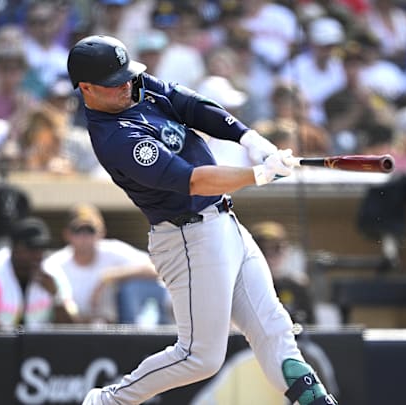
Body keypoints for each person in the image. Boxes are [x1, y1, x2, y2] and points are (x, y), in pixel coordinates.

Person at [67, 35, 337, 405]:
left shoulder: (136, 87)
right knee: (200, 357)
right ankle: (107, 401)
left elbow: (191, 105)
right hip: (187, 236)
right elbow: (194, 180)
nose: (127, 85)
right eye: (115, 82)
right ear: (86, 88)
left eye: (127, 76)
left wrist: (249, 137)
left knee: (274, 327)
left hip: (225, 223)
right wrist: (256, 174)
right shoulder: (115, 138)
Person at [43, 203, 163, 325]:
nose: (84, 237)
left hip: (111, 329)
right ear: (67, 234)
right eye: (78, 230)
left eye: (90, 230)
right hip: (68, 330)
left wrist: (109, 276)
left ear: (102, 232)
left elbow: (158, 268)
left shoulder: (112, 250)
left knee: (135, 287)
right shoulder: (55, 263)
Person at [0, 216, 77, 328]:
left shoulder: (52, 274)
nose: (38, 255)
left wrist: (56, 296)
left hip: (39, 348)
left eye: (42, 248)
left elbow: (71, 329)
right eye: (31, 248)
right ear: (14, 249)